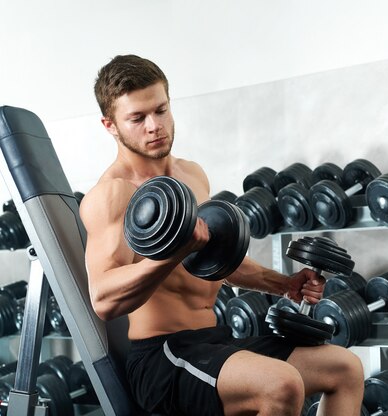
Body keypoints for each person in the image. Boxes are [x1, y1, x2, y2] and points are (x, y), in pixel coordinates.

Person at [80, 54, 364, 416]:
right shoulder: (112, 195)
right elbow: (104, 301)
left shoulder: (192, 175)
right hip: (162, 357)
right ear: (110, 125)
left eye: (161, 110)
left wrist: (284, 284)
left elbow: (216, 263)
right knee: (281, 384)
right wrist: (171, 254)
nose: (154, 125)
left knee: (344, 368)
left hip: (214, 339)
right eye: (137, 118)